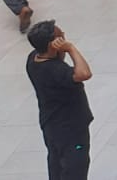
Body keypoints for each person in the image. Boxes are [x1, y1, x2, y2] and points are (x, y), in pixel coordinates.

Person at [26, 19, 94, 180]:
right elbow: (84, 74)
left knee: (56, 164)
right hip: (70, 130)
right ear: (52, 44)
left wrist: (60, 51)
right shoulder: (56, 70)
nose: (64, 38)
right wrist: (70, 48)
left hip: (51, 125)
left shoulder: (33, 59)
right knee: (74, 169)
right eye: (60, 37)